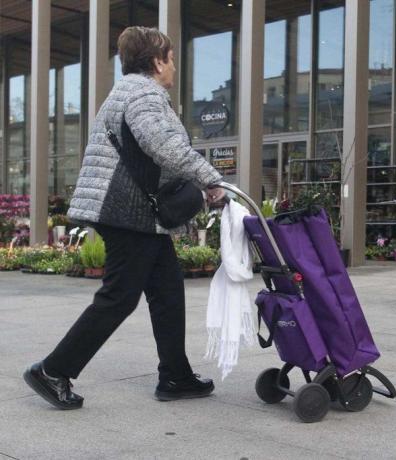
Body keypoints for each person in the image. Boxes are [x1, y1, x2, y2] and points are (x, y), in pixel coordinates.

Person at [23, 26, 226, 410]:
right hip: (127, 212)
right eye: (170, 59)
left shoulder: (131, 91)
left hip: (138, 216)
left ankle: (175, 376)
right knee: (119, 297)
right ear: (156, 62)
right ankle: (53, 370)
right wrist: (210, 179)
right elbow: (164, 146)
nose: (173, 68)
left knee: (167, 292)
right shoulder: (143, 93)